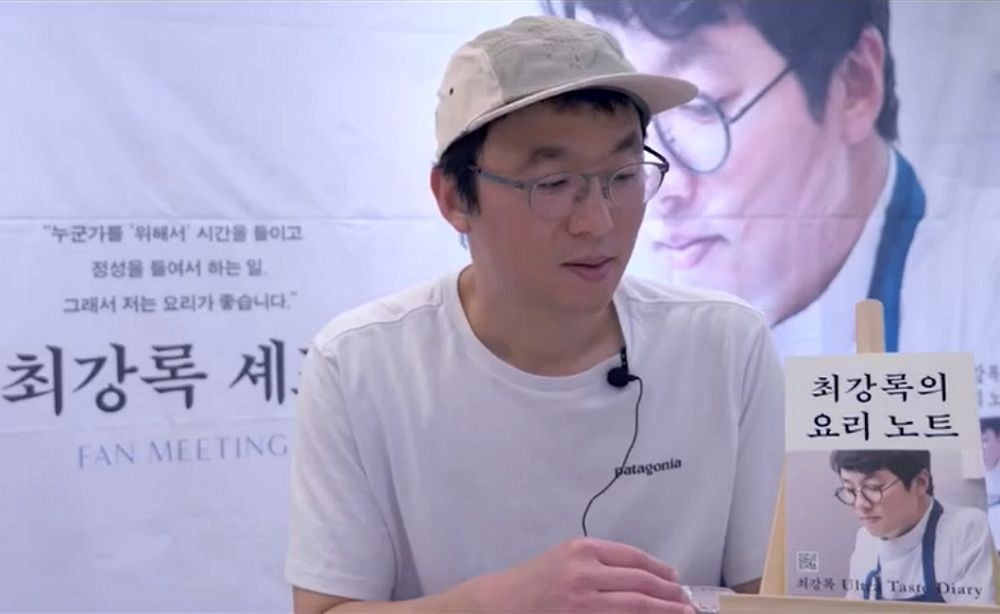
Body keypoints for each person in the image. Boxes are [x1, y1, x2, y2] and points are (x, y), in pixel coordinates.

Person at [285, 14, 784, 614]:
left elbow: (775, 597)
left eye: (623, 176)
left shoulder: (724, 344)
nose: (597, 222)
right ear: (454, 197)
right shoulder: (362, 363)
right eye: (553, 183)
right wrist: (503, 602)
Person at [549, 0, 999, 361]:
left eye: (703, 107)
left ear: (855, 83)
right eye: (627, 128)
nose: (659, 191)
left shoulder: (982, 276)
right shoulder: (598, 306)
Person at [830, 449, 995, 604]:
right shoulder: (865, 539)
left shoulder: (967, 529)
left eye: (873, 487)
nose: (860, 504)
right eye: (849, 489)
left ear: (921, 482)